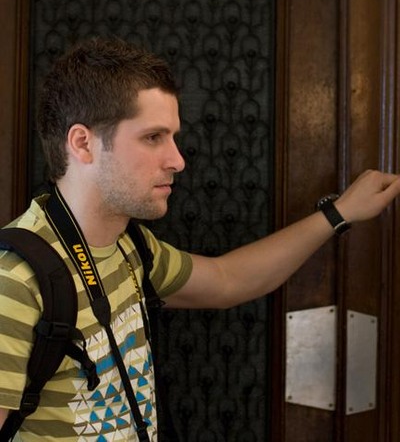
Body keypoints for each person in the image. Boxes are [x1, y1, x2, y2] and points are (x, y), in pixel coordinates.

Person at [1, 37, 400, 442]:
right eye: (153, 137)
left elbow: (228, 280)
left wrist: (339, 213)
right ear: (83, 143)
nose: (178, 160)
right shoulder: (14, 279)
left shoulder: (131, 247)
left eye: (173, 137)